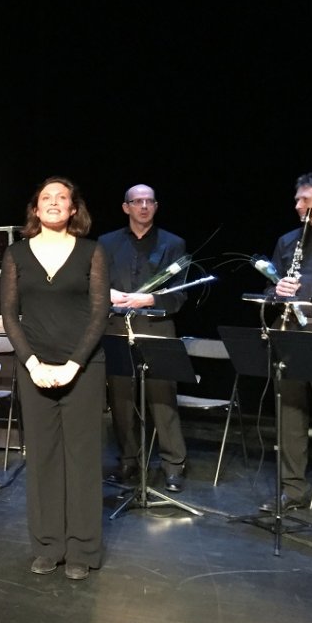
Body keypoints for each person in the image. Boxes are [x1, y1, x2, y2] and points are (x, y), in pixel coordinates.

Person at [0, 176, 110, 580]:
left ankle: (82, 549)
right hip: (35, 367)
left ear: (73, 209)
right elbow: (10, 314)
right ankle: (48, 545)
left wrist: (73, 364)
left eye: (61, 198)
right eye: (45, 197)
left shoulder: (92, 252)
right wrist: (30, 362)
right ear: (35, 208)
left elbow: (100, 313)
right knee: (43, 458)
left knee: (82, 459)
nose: (53, 203)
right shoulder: (16, 254)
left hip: (82, 367)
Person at [257, 171, 312, 530]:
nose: (298, 206)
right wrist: (276, 292)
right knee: (289, 414)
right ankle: (292, 489)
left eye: (306, 199)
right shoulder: (287, 241)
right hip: (291, 333)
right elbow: (269, 292)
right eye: (297, 199)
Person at [98, 184, 190, 492]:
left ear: (156, 206)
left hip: (157, 329)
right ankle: (128, 460)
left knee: (162, 396)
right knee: (121, 398)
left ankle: (173, 465)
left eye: (149, 201)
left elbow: (180, 294)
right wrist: (108, 293)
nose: (143, 206)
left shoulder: (173, 243)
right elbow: (94, 284)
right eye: (137, 201)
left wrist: (148, 301)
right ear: (126, 207)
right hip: (116, 328)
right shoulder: (106, 243)